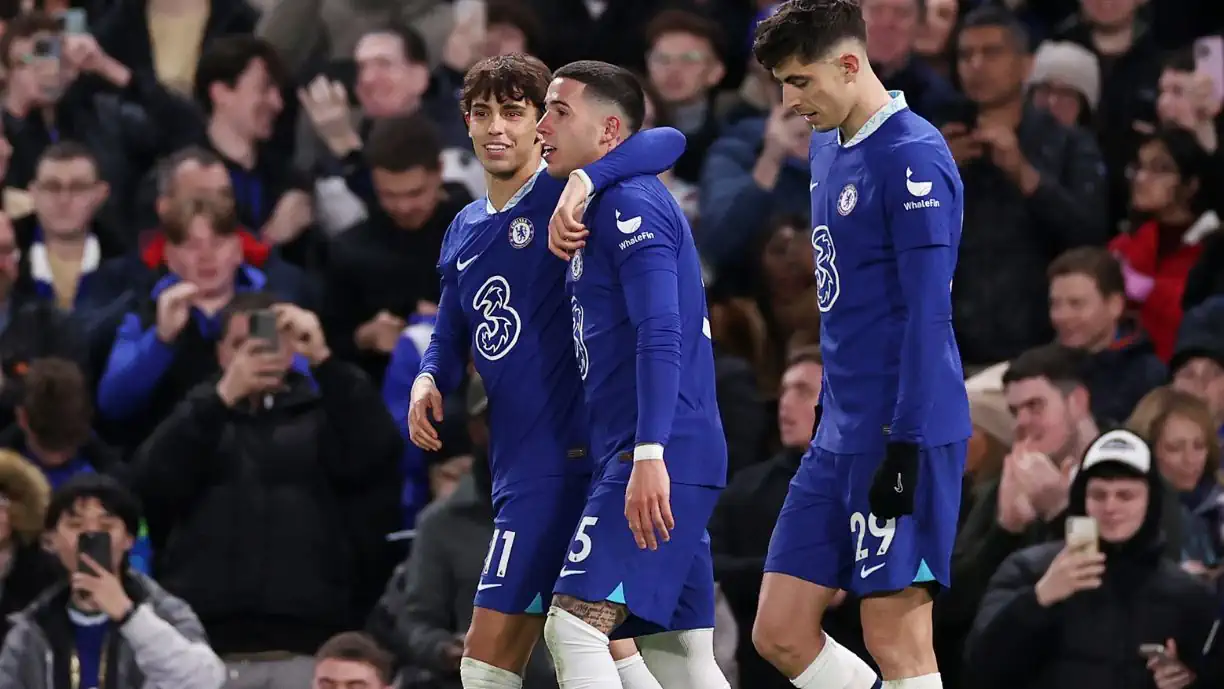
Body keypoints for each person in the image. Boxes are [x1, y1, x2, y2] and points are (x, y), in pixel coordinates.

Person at [407, 53, 687, 689]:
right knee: (605, 649)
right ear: (467, 124)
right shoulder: (464, 226)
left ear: (543, 125)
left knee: (496, 660)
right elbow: (452, 328)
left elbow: (666, 140)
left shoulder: (568, 193)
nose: (496, 128)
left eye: (515, 112)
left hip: (575, 455)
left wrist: (589, 183)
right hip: (517, 456)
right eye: (482, 113)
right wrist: (429, 376)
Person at [750, 2, 970, 688]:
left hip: (905, 429)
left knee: (895, 635)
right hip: (838, 430)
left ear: (850, 64)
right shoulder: (826, 145)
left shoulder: (911, 157)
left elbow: (929, 316)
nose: (792, 101)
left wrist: (903, 444)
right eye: (783, 83)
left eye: (802, 81)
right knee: (779, 630)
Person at [535, 60, 730, 689]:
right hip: (658, 448)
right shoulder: (599, 193)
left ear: (608, 130)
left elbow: (659, 329)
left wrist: (649, 454)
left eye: (558, 112)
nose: (541, 126)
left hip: (656, 452)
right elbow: (667, 139)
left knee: (574, 627)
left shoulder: (628, 203)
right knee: (679, 658)